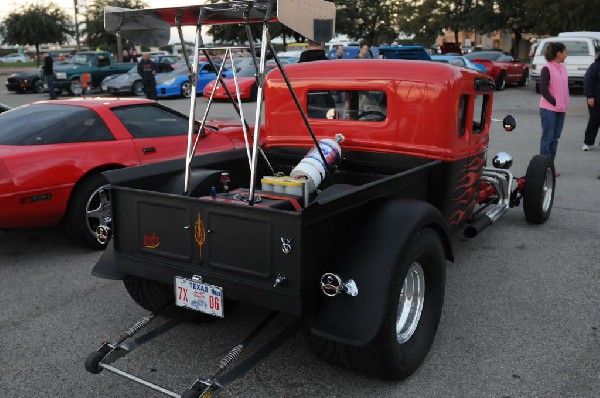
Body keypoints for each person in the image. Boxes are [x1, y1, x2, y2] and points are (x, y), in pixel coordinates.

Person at [538, 42, 569, 174]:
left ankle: (550, 166)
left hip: (561, 109)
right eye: (565, 52)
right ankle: (543, 168)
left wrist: (564, 102)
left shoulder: (563, 68)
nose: (566, 54)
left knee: (555, 139)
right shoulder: (547, 68)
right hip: (549, 109)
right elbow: (543, 89)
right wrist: (555, 102)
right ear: (558, 53)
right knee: (547, 138)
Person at [582, 53, 600, 151]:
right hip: (595, 98)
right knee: (594, 119)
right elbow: (588, 80)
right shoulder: (595, 66)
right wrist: (590, 96)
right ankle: (587, 142)